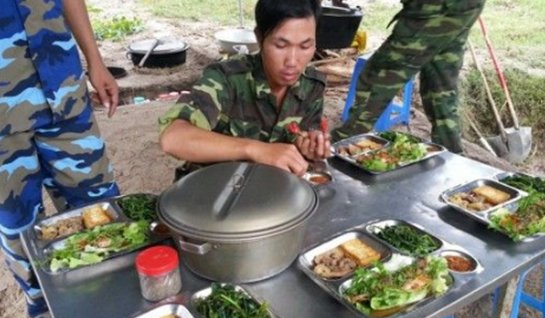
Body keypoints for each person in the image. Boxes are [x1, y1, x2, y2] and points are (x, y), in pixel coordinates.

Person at [0, 0, 120, 318]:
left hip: (60, 82)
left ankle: (111, 302)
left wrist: (94, 60)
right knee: (20, 226)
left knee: (99, 202)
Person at [159, 0, 330, 177]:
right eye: (281, 45)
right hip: (213, 190)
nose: (293, 62)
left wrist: (309, 145)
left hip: (273, 191)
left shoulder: (312, 85)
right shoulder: (226, 79)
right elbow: (173, 139)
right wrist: (256, 149)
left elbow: (303, 137)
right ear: (259, 37)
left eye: (305, 46)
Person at [331, 0, 487, 153]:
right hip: (465, 7)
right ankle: (452, 154)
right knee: (441, 84)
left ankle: (340, 144)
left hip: (435, 8)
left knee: (378, 75)